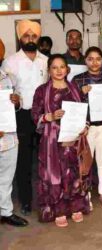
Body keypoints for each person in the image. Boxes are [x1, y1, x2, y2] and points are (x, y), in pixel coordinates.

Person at [31, 54, 90, 227]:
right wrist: (49, 116)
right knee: (55, 174)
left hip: (73, 139)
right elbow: (35, 114)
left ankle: (76, 206)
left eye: (62, 67)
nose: (58, 71)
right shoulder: (42, 90)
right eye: (54, 67)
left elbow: (84, 111)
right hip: (52, 140)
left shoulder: (74, 88)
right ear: (49, 70)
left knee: (74, 172)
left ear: (67, 69)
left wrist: (85, 125)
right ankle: (58, 209)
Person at [1, 19, 48, 215]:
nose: (30, 39)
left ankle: (47, 197)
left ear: (38, 38)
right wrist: (14, 100)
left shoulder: (46, 61)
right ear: (20, 38)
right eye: (26, 35)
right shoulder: (10, 62)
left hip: (44, 116)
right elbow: (5, 91)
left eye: (34, 36)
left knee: (46, 159)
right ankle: (26, 200)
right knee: (24, 161)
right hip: (21, 116)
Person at [72, 47, 102, 208]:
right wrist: (80, 92)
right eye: (90, 58)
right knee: (86, 163)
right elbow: (71, 103)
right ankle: (86, 195)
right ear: (85, 60)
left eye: (98, 58)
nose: (94, 62)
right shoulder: (77, 80)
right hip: (87, 127)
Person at [0, 59, 28, 227]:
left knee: (6, 178)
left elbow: (19, 103)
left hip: (9, 136)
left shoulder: (9, 78)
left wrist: (17, 101)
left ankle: (5, 212)